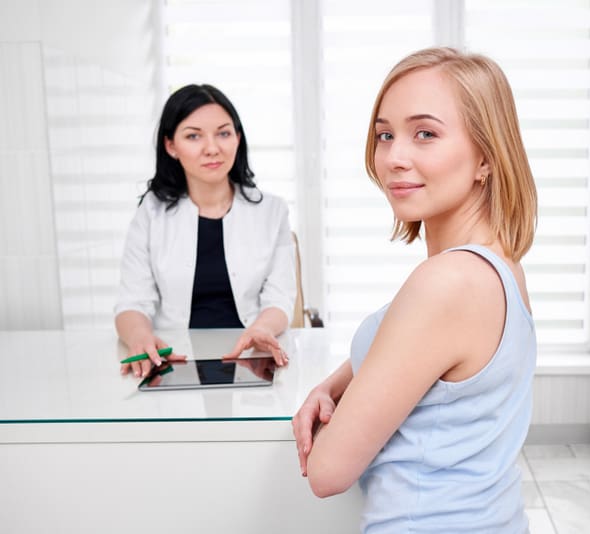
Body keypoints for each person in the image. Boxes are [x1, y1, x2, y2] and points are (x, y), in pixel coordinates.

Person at [292, 47, 538, 533]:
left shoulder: (446, 283)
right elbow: (418, 354)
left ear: (485, 157)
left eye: (424, 134)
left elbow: (327, 472)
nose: (393, 157)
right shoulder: (498, 264)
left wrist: (334, 419)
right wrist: (333, 385)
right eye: (385, 135)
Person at [115, 84, 296, 378]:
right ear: (171, 146)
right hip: (174, 361)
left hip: (251, 358)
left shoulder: (272, 212)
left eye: (223, 133)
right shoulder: (151, 213)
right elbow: (132, 302)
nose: (212, 148)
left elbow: (279, 299)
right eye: (193, 136)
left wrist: (261, 329)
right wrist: (139, 337)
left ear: (238, 138)